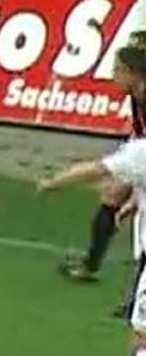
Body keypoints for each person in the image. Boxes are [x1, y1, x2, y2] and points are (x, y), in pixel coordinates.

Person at [38, 130, 146, 356]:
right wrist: (136, 203)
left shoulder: (141, 151)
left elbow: (97, 170)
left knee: (141, 342)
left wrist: (54, 183)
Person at [60, 46, 146, 307]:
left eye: (117, 70)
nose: (112, 76)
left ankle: (134, 299)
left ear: (132, 73)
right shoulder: (136, 96)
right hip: (140, 152)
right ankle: (95, 267)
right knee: (114, 197)